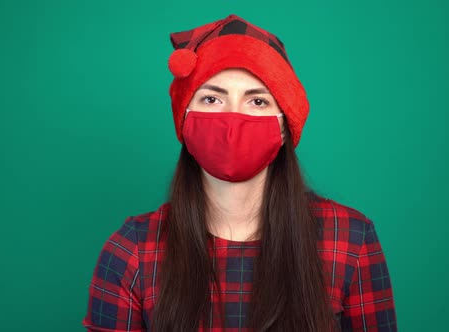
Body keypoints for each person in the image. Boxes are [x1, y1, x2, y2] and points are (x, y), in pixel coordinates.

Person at [82, 14, 397, 332]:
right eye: (211, 98)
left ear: (284, 127)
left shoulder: (350, 240)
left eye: (257, 101)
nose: (232, 118)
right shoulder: (132, 250)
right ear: (185, 121)